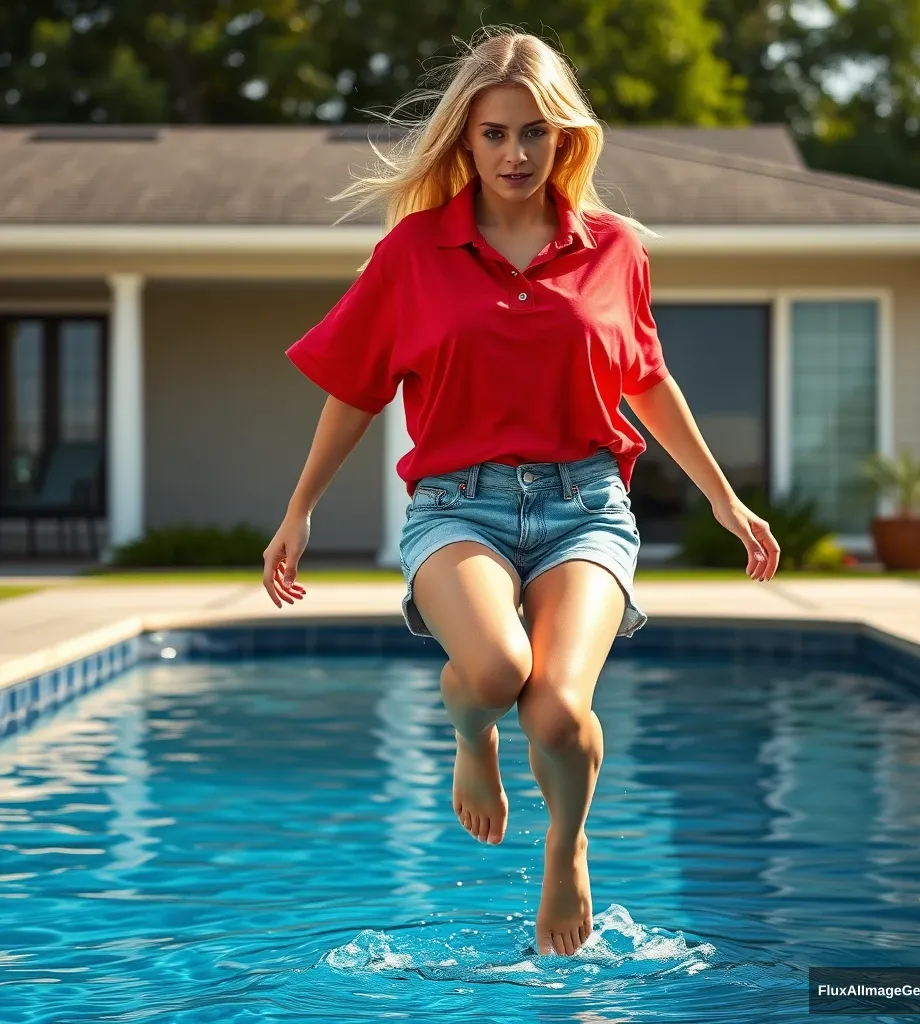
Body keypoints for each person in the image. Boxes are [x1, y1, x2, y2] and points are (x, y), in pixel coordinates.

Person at [262, 27, 781, 957]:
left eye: (535, 133)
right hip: (456, 506)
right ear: (465, 139)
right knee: (497, 676)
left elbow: (646, 379)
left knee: (557, 711)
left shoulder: (614, 249)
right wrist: (299, 509)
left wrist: (722, 498)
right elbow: (355, 388)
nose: (515, 153)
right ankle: (472, 737)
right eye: (496, 133)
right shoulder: (412, 252)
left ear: (565, 139)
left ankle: (567, 846)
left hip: (587, 504)